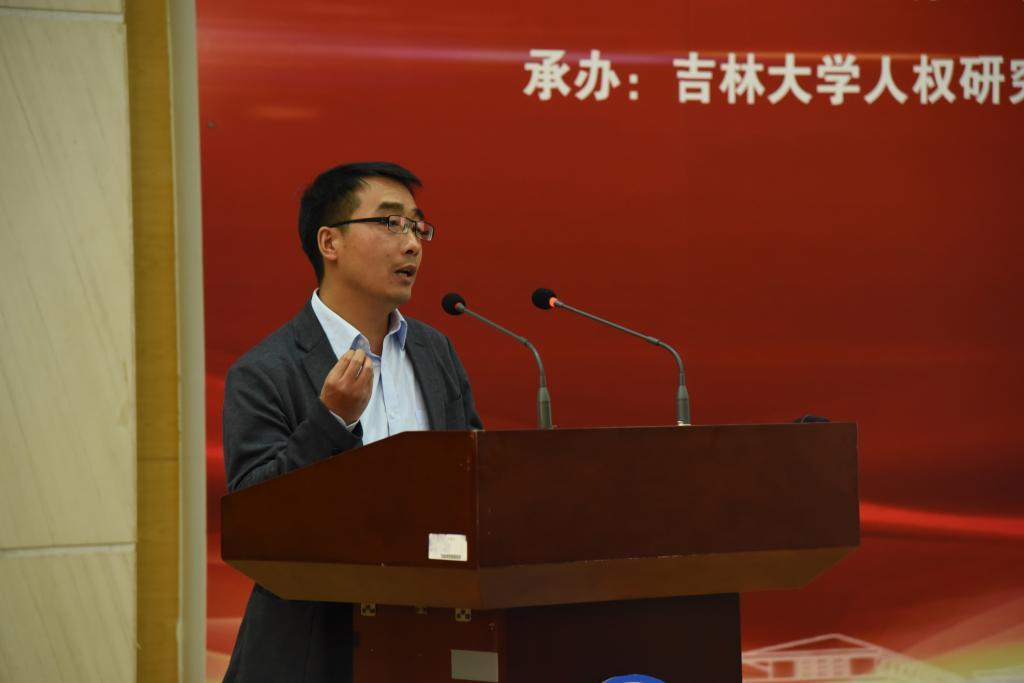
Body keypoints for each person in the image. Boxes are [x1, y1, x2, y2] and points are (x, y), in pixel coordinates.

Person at [221, 161, 483, 682]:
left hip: (427, 638)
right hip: (314, 650)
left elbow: (473, 482)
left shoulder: (436, 354)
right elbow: (256, 522)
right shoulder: (265, 371)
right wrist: (331, 420)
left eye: (418, 227)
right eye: (390, 223)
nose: (412, 244)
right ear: (330, 243)